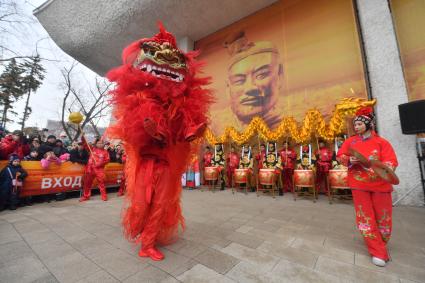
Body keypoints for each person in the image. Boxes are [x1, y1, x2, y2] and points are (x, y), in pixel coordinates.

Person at [337, 107, 398, 267]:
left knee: (383, 218)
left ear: (369, 124)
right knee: (365, 217)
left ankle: (380, 243)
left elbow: (391, 162)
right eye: (355, 125)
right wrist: (350, 160)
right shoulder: (351, 141)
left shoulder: (382, 142)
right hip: (359, 184)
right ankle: (377, 250)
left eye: (359, 124)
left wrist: (384, 166)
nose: (356, 127)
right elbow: (341, 156)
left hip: (380, 184)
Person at [215, 31, 284, 132]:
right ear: (228, 89)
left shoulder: (290, 125)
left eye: (261, 75)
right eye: (239, 81)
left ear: (279, 76)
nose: (250, 88)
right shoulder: (222, 131)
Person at [79, 137, 110, 202]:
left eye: (101, 143)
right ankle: (85, 196)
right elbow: (85, 144)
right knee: (87, 183)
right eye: (98, 143)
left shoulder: (105, 152)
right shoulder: (92, 149)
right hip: (90, 169)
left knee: (101, 183)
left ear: (103, 144)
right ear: (96, 144)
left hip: (99, 170)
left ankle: (104, 196)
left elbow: (107, 160)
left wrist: (100, 164)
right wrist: (83, 138)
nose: (100, 144)